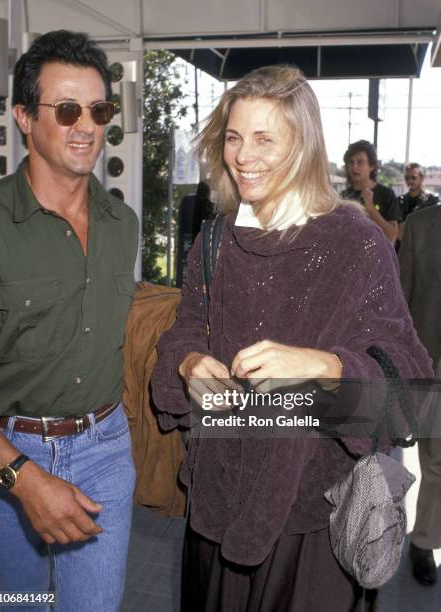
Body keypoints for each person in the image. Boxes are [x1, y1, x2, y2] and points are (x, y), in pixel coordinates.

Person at [151, 65, 432, 612]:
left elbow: (413, 395)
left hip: (314, 525)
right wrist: (187, 363)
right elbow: (184, 328)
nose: (243, 155)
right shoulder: (214, 241)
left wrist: (324, 364)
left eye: (263, 138)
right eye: (234, 137)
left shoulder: (355, 243)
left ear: (302, 145)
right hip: (217, 509)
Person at [0, 30, 139, 611]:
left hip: (104, 450)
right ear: (25, 117)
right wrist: (21, 478)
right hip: (5, 459)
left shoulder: (122, 223)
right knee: (18, 604)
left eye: (99, 110)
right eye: (67, 109)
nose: (87, 126)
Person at [399, 205, 441, 586]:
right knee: (436, 460)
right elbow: (400, 306)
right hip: (432, 360)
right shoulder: (420, 225)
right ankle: (424, 541)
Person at [341, 139, 400, 243]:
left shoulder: (386, 194)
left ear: (371, 166)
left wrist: (371, 209)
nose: (354, 167)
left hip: (378, 257)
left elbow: (392, 236)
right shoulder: (342, 197)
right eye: (351, 162)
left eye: (360, 162)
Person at [397, 162, 439, 243]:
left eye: (413, 177)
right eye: (407, 178)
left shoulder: (433, 200)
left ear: (422, 178)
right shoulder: (399, 200)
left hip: (424, 248)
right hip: (401, 249)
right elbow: (395, 228)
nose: (410, 180)